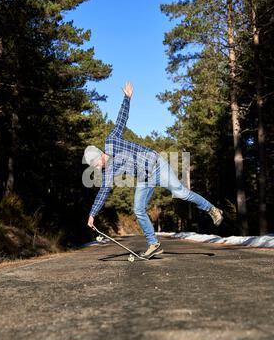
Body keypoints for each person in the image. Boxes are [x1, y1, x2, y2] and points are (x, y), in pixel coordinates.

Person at [86, 81, 223, 259]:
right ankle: (153, 244)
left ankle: (212, 209)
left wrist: (127, 98)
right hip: (145, 178)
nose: (97, 168)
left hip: (157, 165)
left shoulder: (111, 141)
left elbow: (121, 120)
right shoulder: (108, 171)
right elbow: (103, 191)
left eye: (96, 164)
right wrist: (92, 214)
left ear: (98, 157)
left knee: (181, 193)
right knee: (138, 208)